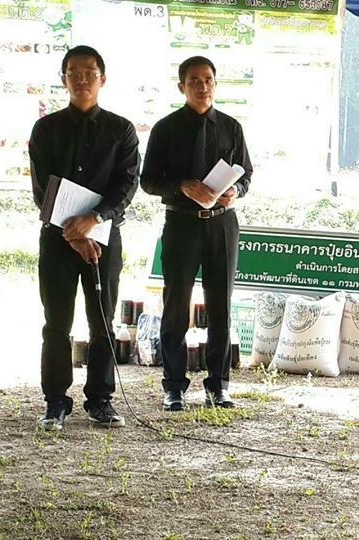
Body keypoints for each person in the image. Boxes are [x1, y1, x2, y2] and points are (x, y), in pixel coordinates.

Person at [29, 45, 139, 430]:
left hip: (104, 238)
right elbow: (42, 188)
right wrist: (73, 235)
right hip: (57, 240)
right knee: (56, 322)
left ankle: (101, 400)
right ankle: (55, 401)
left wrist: (93, 220)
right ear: (64, 79)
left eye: (89, 72)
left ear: (102, 79)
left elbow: (126, 184)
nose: (81, 79)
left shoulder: (121, 129)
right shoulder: (46, 129)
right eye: (73, 73)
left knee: (102, 321)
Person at [140, 56, 252, 411]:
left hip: (222, 224)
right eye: (194, 81)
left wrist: (237, 190)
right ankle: (174, 386)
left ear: (215, 84)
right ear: (181, 86)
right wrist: (183, 186)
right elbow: (148, 181)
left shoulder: (231, 127)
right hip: (182, 223)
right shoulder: (165, 129)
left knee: (220, 307)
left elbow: (246, 174)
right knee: (176, 306)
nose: (202, 87)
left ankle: (219, 385)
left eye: (208, 80)